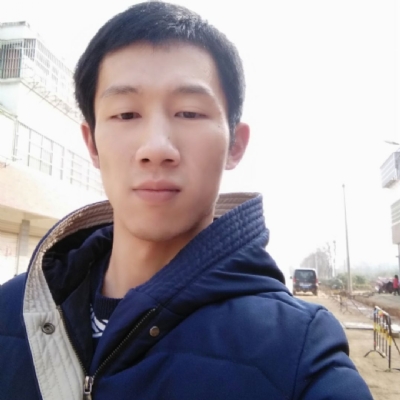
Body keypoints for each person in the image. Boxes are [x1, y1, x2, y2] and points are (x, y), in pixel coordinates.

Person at [0, 2, 373, 399]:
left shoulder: (298, 352)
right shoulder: (10, 311)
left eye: (189, 113)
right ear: (91, 144)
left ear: (235, 145)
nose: (156, 148)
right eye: (126, 114)